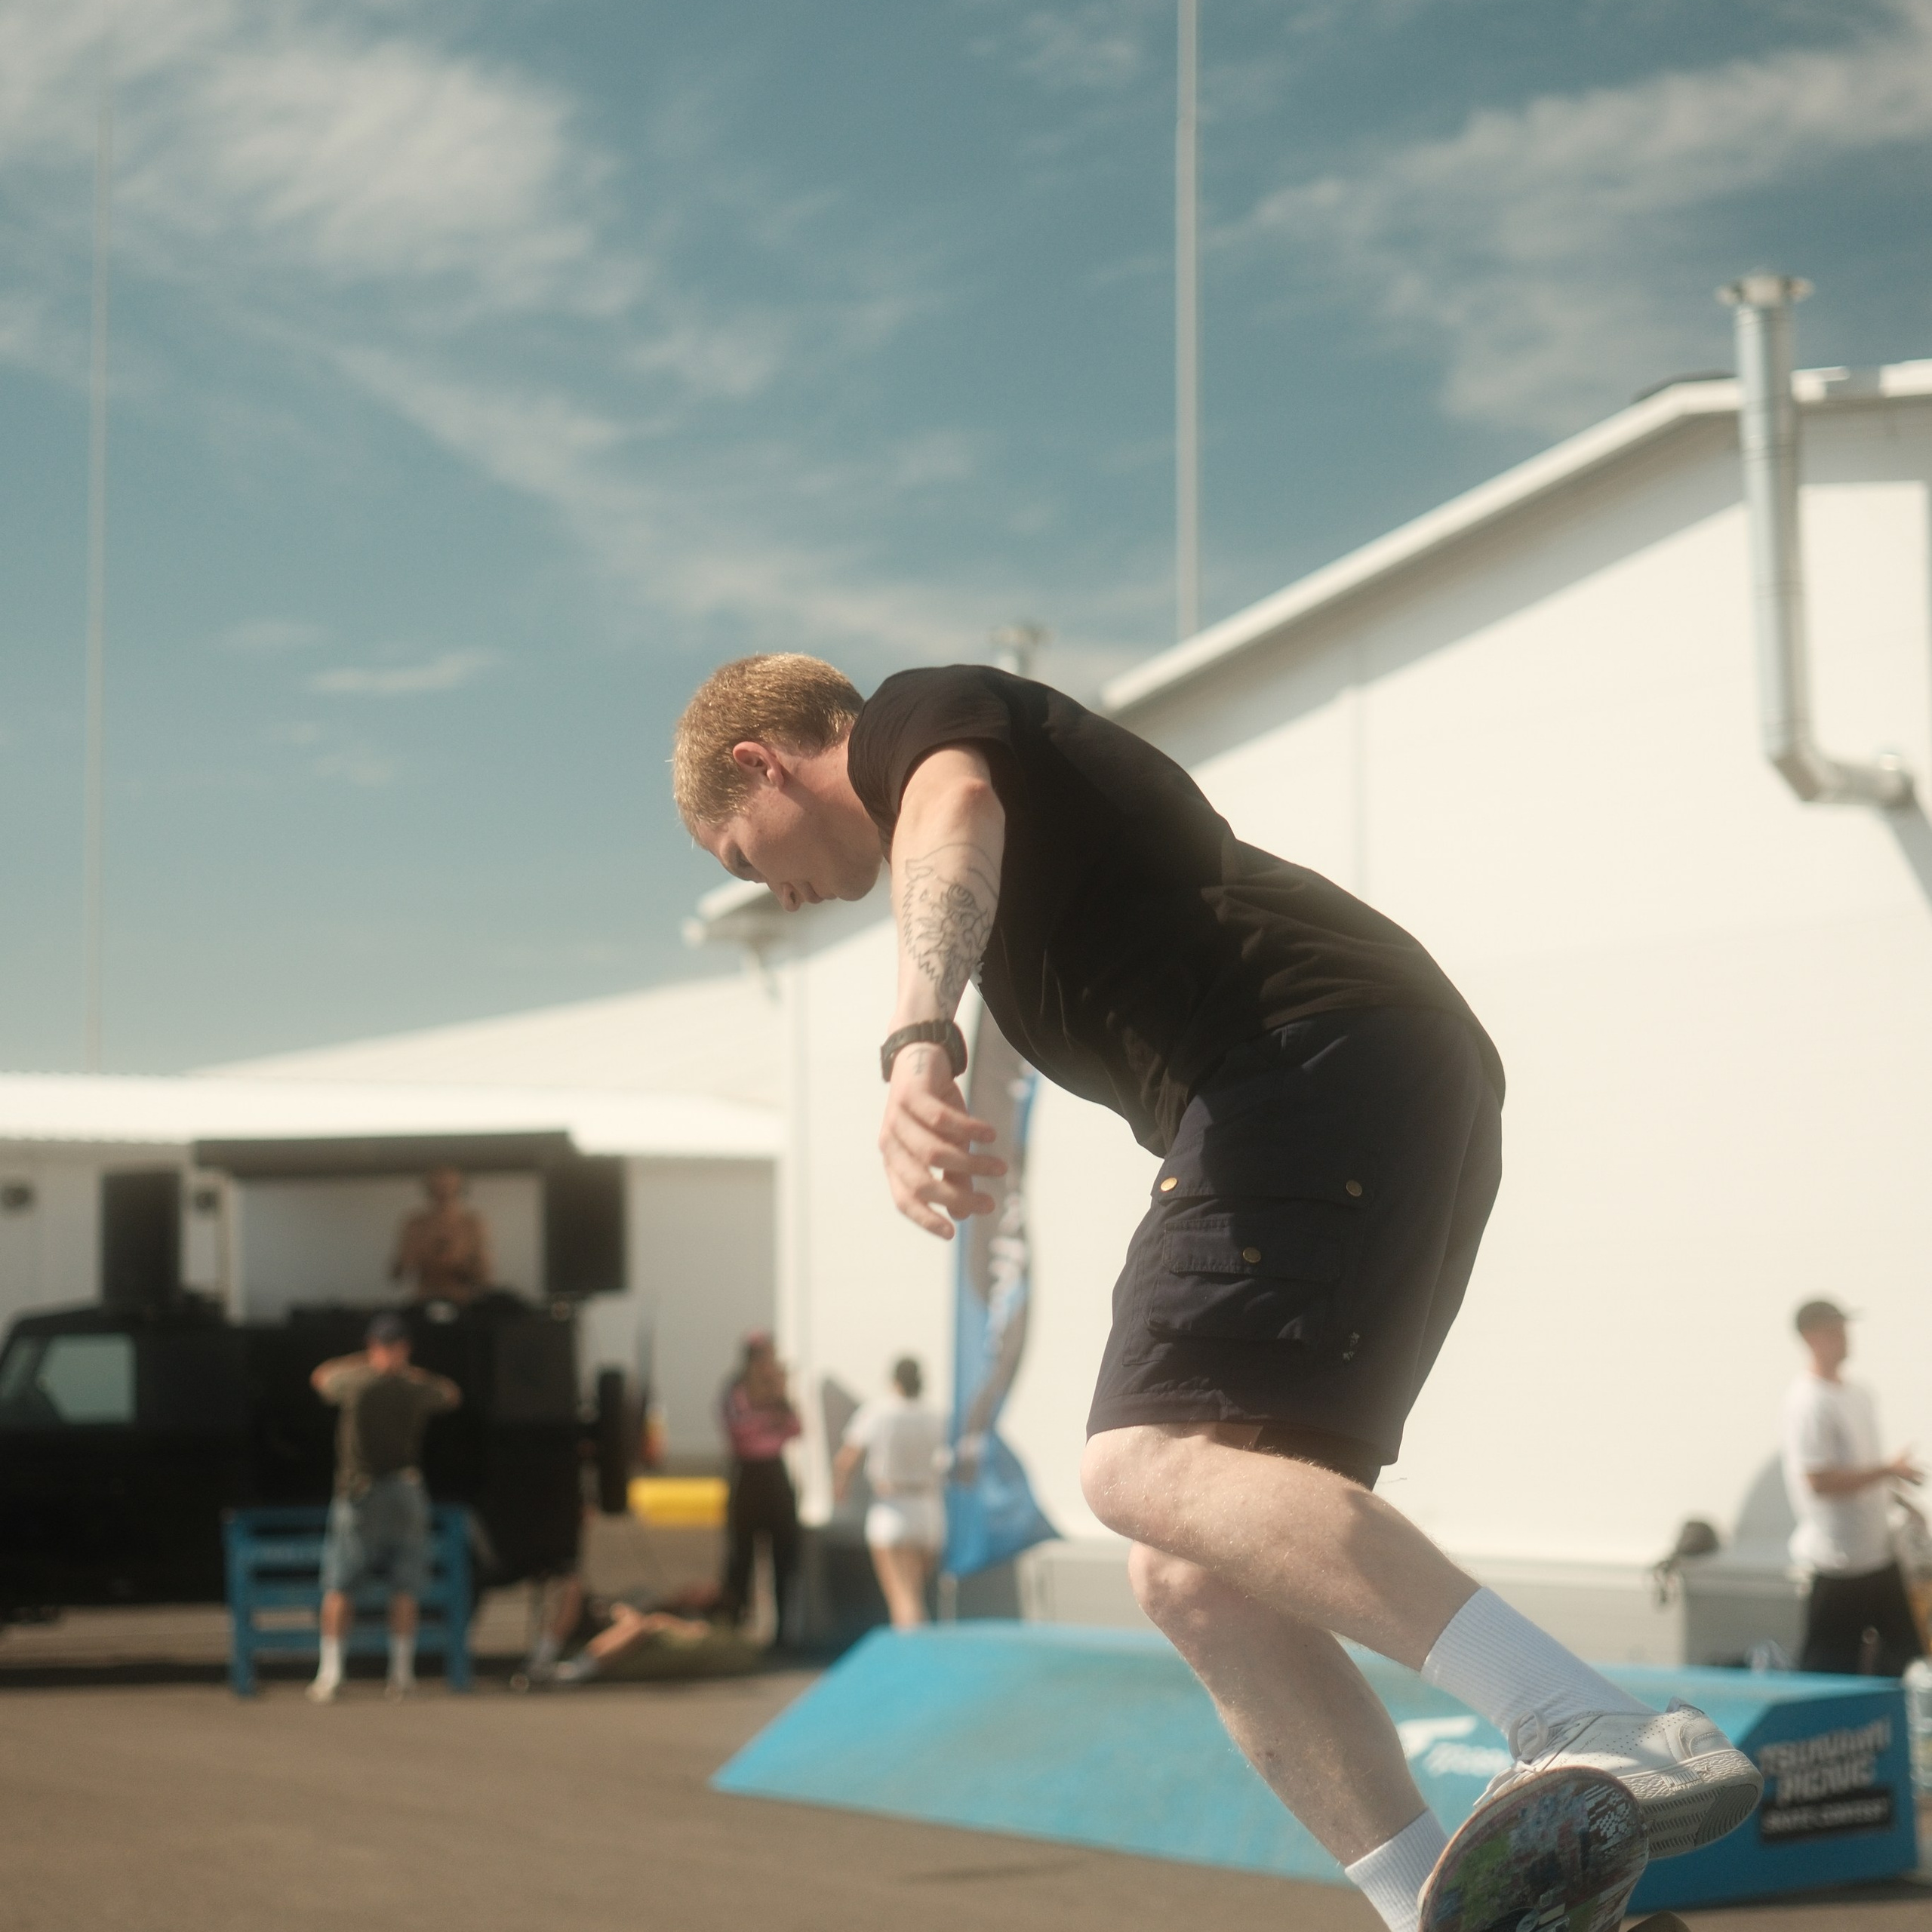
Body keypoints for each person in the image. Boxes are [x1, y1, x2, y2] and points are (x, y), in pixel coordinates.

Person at [672, 654, 1761, 1932]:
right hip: (1371, 1082)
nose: (774, 897)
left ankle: (1594, 1720)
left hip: (1305, 1065)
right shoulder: (1019, 869)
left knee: (1138, 1460)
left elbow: (950, 814)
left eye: (744, 859)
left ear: (764, 763)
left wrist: (920, 1037)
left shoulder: (919, 721)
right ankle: (1434, 1909)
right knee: (1192, 1576)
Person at [307, 1312, 461, 1703]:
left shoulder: (357, 1382)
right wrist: (409, 1369)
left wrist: (365, 1361)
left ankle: (331, 1673)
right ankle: (401, 1673)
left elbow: (320, 1377)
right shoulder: (415, 1388)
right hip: (405, 1488)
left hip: (360, 1489)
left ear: (373, 1347)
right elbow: (450, 1394)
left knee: (341, 1581)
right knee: (405, 1584)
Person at [1781, 1297, 1924, 1675]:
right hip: (1838, 1563)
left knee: (1905, 1659)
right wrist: (1887, 1471)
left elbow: (1862, 1468)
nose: (1844, 1338)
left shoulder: (1857, 1393)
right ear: (1811, 1338)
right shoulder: (1809, 1401)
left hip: (1877, 1553)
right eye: (1834, 1331)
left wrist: (1895, 1495)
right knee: (1828, 1669)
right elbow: (1819, 1480)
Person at [834, 1356, 947, 1629]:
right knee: (913, 1594)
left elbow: (847, 1457)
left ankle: (914, 1655)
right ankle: (917, 1646)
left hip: (892, 1506)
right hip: (928, 1509)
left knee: (901, 1598)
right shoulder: (935, 1415)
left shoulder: (879, 1412)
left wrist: (839, 1489)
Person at [718, 1331, 802, 1646]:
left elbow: (796, 1428)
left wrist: (770, 1411)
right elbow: (739, 1430)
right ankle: (734, 1624)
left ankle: (782, 1631)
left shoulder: (778, 1393)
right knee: (741, 1553)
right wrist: (769, 1419)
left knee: (784, 1552)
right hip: (747, 1474)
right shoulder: (735, 1389)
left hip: (774, 1474)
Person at [390, 1166, 492, 1303]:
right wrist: (409, 1259)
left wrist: (458, 1262)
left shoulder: (472, 1224)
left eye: (449, 1187)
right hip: (424, 1300)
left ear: (459, 1189)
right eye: (437, 1188)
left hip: (462, 1301)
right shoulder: (416, 1225)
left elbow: (485, 1275)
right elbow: (397, 1273)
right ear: (429, 1190)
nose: (443, 1192)